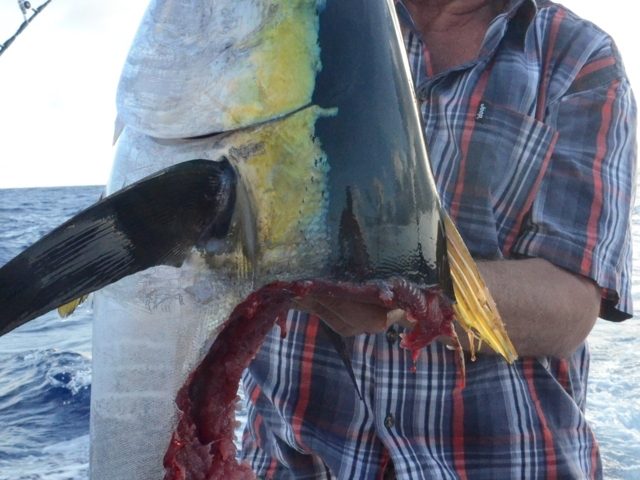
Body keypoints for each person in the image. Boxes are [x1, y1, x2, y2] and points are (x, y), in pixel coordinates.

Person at [240, 0, 637, 478]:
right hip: (282, 461)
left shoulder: (579, 56)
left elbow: (572, 306)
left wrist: (400, 286)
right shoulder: (277, 20)